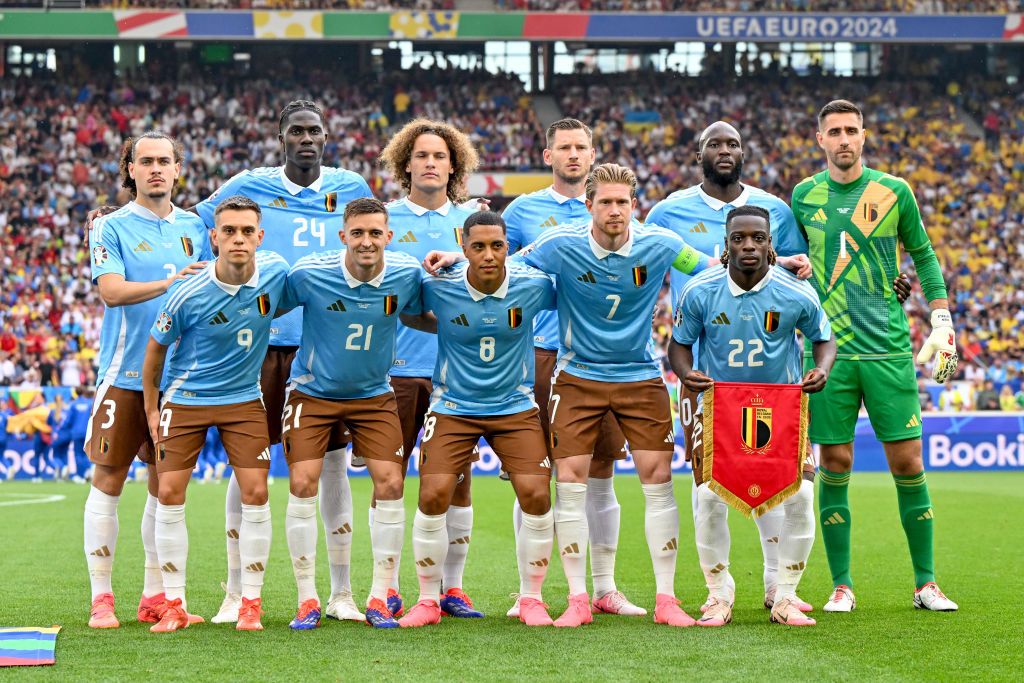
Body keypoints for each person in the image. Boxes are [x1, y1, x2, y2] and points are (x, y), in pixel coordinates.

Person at [195, 100, 373, 624]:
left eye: (314, 131)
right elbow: (194, 222)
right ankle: (234, 592)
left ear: (326, 136)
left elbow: (378, 231)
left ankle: (340, 592)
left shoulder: (352, 187)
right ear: (280, 137)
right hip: (260, 342)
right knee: (247, 464)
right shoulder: (248, 185)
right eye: (296, 131)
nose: (306, 139)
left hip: (326, 344)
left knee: (334, 466)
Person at [791, 99, 958, 612]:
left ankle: (926, 583)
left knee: (908, 462)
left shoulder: (894, 192)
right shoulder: (802, 197)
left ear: (864, 136)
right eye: (834, 131)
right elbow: (792, 263)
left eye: (852, 130)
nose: (844, 139)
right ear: (819, 139)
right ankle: (841, 584)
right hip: (828, 352)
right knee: (834, 461)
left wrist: (942, 317)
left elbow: (924, 255)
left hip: (887, 346)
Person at [668, 205, 837, 627]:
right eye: (738, 238)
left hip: (780, 409)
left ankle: (784, 595)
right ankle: (718, 594)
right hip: (720, 407)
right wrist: (686, 372)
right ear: (725, 246)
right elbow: (679, 343)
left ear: (770, 245)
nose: (748, 245)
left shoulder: (796, 292)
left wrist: (822, 368)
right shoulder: (701, 290)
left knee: (799, 495)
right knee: (708, 496)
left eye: (757, 238)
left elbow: (825, 338)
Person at [501, 118, 639, 618]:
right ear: (548, 155)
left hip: (598, 360)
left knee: (600, 470)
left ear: (593, 154)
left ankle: (604, 587)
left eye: (582, 147)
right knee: (532, 474)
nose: (574, 155)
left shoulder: (618, 214)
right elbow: (501, 267)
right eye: (565, 147)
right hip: (539, 354)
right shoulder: (523, 211)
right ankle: (527, 591)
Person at [400, 211, 558, 629]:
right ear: (464, 247)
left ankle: (531, 598)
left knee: (537, 494)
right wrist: (447, 327)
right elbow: (407, 313)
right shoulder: (438, 287)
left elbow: (579, 298)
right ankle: (429, 600)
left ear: (509, 246)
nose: (489, 255)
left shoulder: (534, 285)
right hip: (453, 405)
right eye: (478, 246)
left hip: (515, 405)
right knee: (433, 494)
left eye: (497, 245)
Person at [142, 196, 289, 632]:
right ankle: (174, 605)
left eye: (247, 231)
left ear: (260, 237)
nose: (238, 239)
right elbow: (154, 353)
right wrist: (153, 409)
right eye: (229, 231)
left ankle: (251, 604)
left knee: (256, 493)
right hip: (186, 400)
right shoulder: (188, 292)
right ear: (214, 237)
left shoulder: (276, 271)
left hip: (244, 399)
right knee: (168, 493)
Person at [84, 131, 212, 629]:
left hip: (180, 380)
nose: (156, 168)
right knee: (109, 480)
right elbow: (111, 292)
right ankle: (101, 598)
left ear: (178, 168)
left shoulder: (198, 227)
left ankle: (154, 596)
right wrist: (171, 283)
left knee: (165, 489)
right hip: (126, 375)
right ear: (130, 169)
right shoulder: (109, 227)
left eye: (165, 161)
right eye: (146, 161)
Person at [280, 198, 424, 629]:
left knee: (391, 481)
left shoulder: (406, 273)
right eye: (357, 233)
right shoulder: (309, 274)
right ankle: (307, 599)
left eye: (375, 233)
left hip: (373, 394)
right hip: (313, 391)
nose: (366, 242)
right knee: (303, 482)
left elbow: (430, 309)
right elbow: (264, 297)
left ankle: (380, 595)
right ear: (342, 235)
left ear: (388, 237)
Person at [378, 118, 482, 618]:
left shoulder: (474, 224)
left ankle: (452, 586)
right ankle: (391, 584)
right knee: (391, 480)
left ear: (453, 165)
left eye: (440, 156)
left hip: (456, 373)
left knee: (455, 481)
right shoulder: (384, 220)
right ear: (406, 164)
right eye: (421, 155)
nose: (431, 163)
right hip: (395, 370)